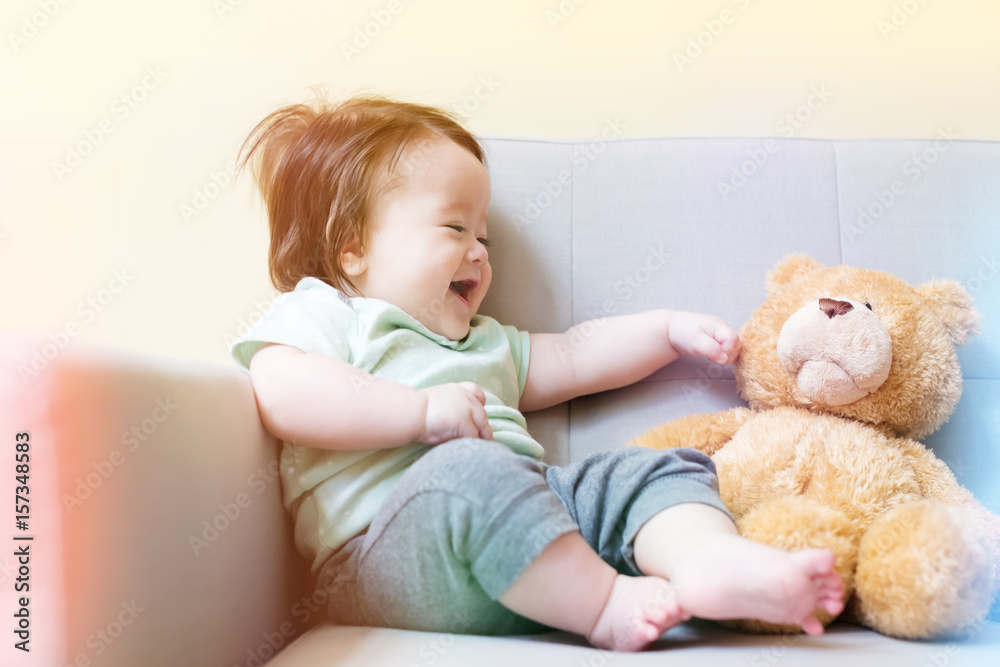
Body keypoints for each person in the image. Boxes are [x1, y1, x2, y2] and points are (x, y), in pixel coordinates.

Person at [230, 94, 844, 652]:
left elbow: (576, 354)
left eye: (484, 236)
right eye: (454, 227)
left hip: (534, 522)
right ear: (352, 248)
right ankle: (603, 604)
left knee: (644, 468)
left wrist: (663, 330)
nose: (478, 251)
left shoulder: (482, 342)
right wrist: (415, 412)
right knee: (467, 473)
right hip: (388, 558)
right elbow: (281, 389)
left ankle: (710, 562)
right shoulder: (330, 313)